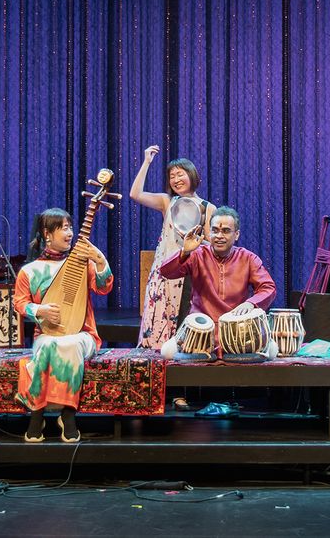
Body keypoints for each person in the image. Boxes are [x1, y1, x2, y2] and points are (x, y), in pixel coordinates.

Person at [13, 208, 112, 443]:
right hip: (46, 334)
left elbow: (103, 287)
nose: (70, 233)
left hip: (83, 333)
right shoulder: (30, 270)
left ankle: (63, 415)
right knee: (49, 346)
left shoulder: (81, 264)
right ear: (47, 233)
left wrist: (99, 260)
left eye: (70, 227)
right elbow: (19, 303)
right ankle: (44, 415)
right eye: (64, 228)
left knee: (69, 344)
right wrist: (39, 310)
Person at [157, 206, 277, 353]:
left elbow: (268, 288)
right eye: (215, 230)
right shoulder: (197, 255)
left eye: (226, 231)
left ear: (237, 234)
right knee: (167, 352)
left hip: (238, 330)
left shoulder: (248, 258)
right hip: (201, 330)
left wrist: (251, 303)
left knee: (272, 350)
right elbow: (166, 272)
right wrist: (185, 251)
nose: (219, 235)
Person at [129, 145, 213, 350]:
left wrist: (195, 242)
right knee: (158, 322)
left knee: (184, 326)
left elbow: (212, 245)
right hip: (164, 271)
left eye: (180, 174)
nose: (176, 179)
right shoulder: (168, 202)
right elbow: (135, 194)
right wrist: (147, 162)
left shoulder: (207, 208)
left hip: (189, 275)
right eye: (172, 176)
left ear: (192, 175)